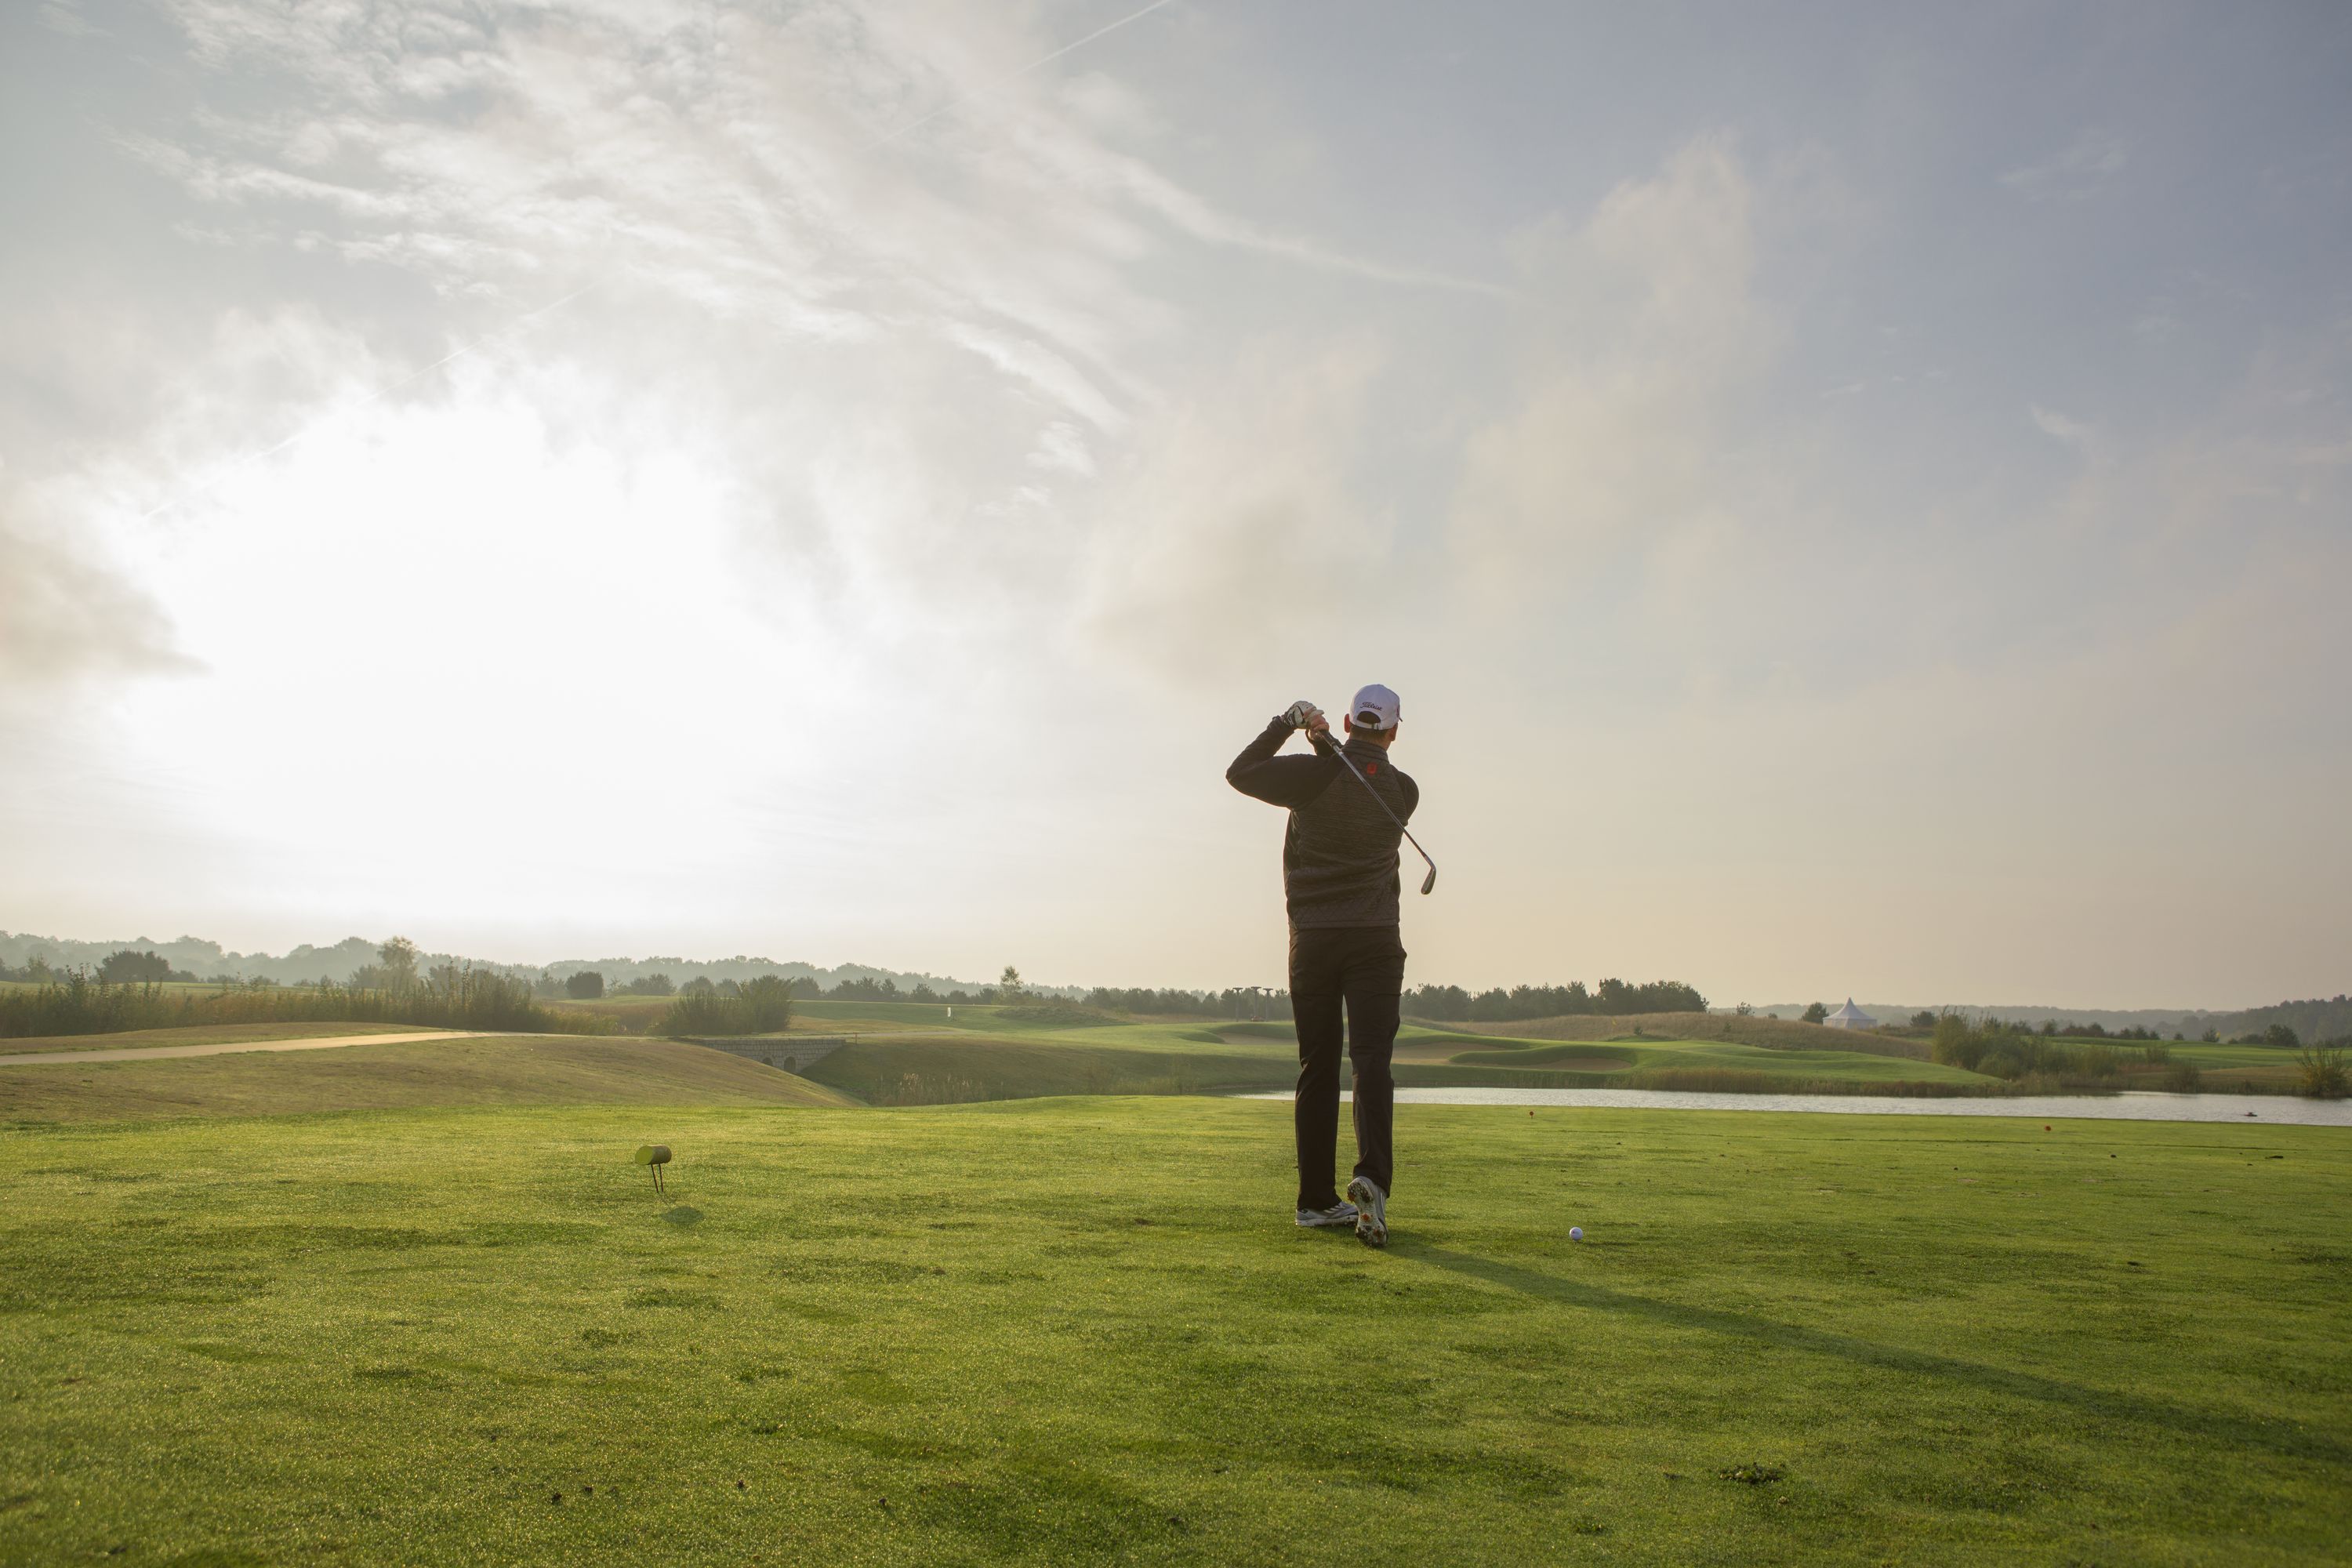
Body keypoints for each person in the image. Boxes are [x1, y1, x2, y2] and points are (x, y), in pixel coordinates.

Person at [1225, 683, 1417, 1247]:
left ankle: (1313, 1202)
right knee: (1372, 1063)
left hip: (1313, 941)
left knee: (1318, 1066)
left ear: (1352, 724)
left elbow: (1243, 772)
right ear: (1394, 731)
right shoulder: (1404, 792)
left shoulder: (1315, 779)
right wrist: (1325, 745)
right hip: (1376, 941)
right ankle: (1370, 1179)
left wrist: (1291, 723)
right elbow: (1360, 782)